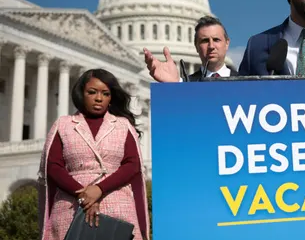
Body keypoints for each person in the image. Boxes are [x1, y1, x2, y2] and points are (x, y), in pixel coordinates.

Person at [37, 69, 150, 240]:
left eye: (105, 94)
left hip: (116, 205)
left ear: (111, 98)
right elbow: (53, 166)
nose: (99, 98)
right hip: (71, 206)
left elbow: (132, 165)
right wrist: (83, 195)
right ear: (81, 94)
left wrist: (99, 189)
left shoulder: (123, 125)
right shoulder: (63, 124)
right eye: (92, 92)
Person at [144, 16, 238, 81]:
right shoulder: (185, 85)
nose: (211, 46)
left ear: (227, 43)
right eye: (205, 41)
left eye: (216, 40)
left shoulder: (247, 82)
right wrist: (174, 87)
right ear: (196, 46)